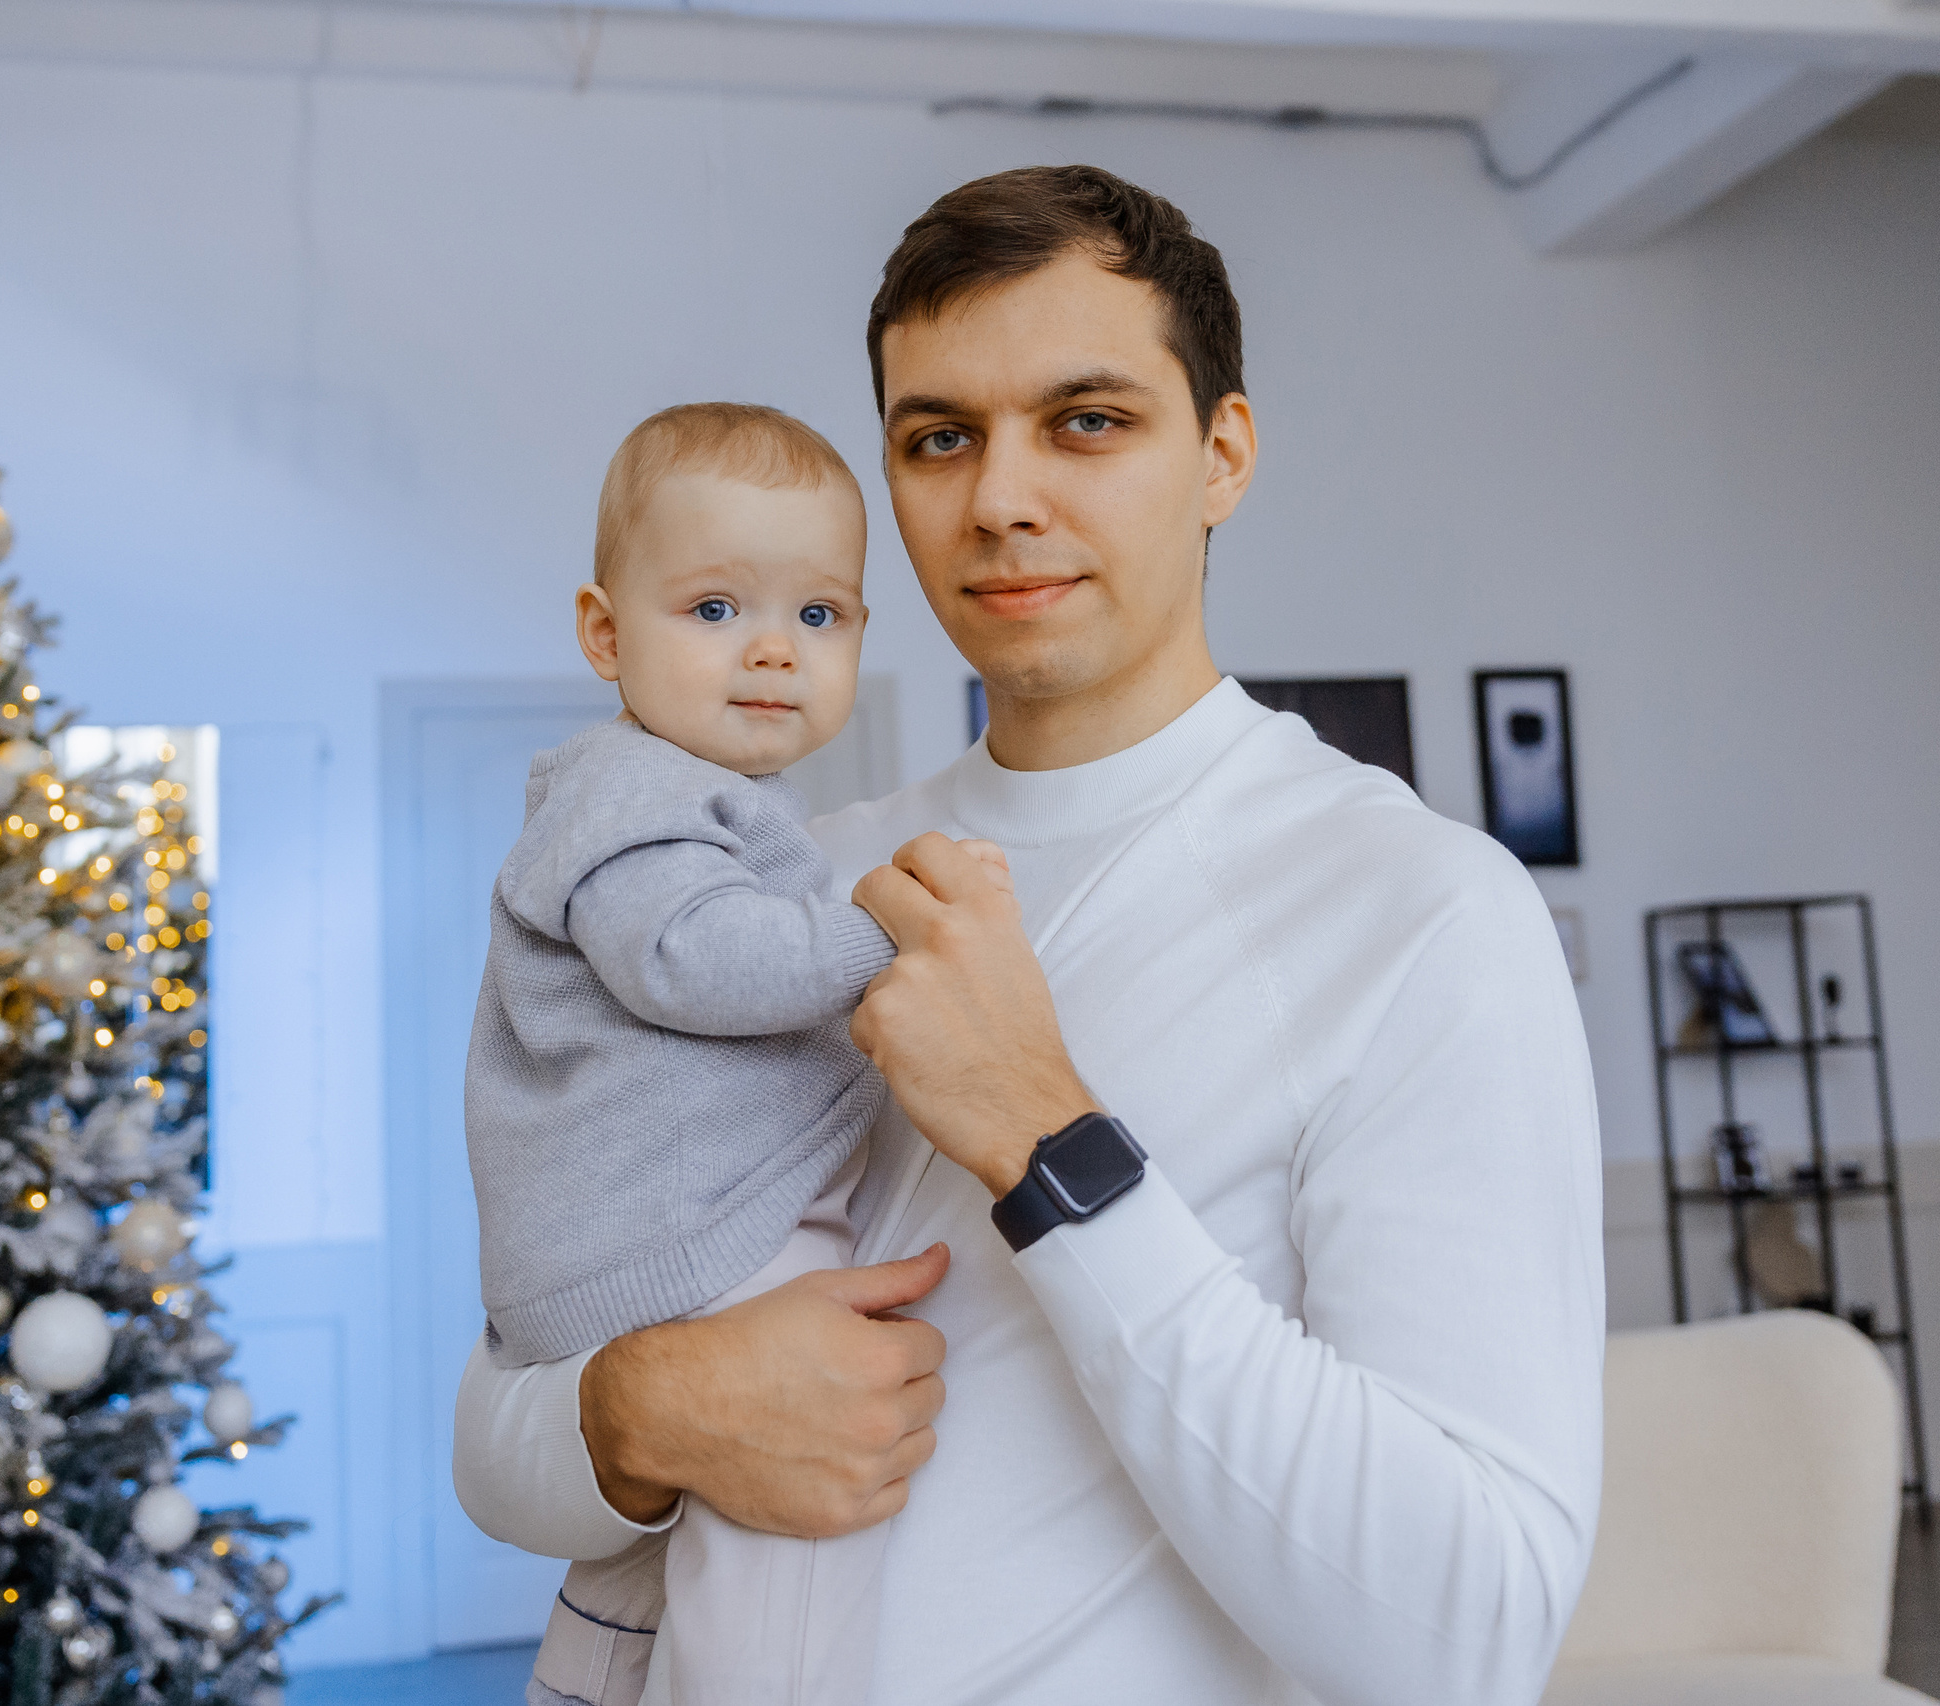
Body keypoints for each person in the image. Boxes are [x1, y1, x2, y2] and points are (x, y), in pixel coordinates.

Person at [455, 165, 1605, 1705]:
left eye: (1087, 420)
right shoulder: (785, 884)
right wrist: (645, 1408)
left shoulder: (1420, 911)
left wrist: (1050, 1141)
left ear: (1223, 453)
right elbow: (493, 1432)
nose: (999, 498)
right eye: (940, 436)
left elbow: (1468, 1633)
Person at [465, 402, 1004, 1706]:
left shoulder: (719, 805)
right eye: (714, 610)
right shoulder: (631, 796)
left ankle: (592, 1677)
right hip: (681, 1232)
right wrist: (881, 927)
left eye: (817, 616)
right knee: (777, 1541)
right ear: (605, 632)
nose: (771, 649)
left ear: (862, 634)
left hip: (653, 1234)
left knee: (679, 1538)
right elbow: (696, 959)